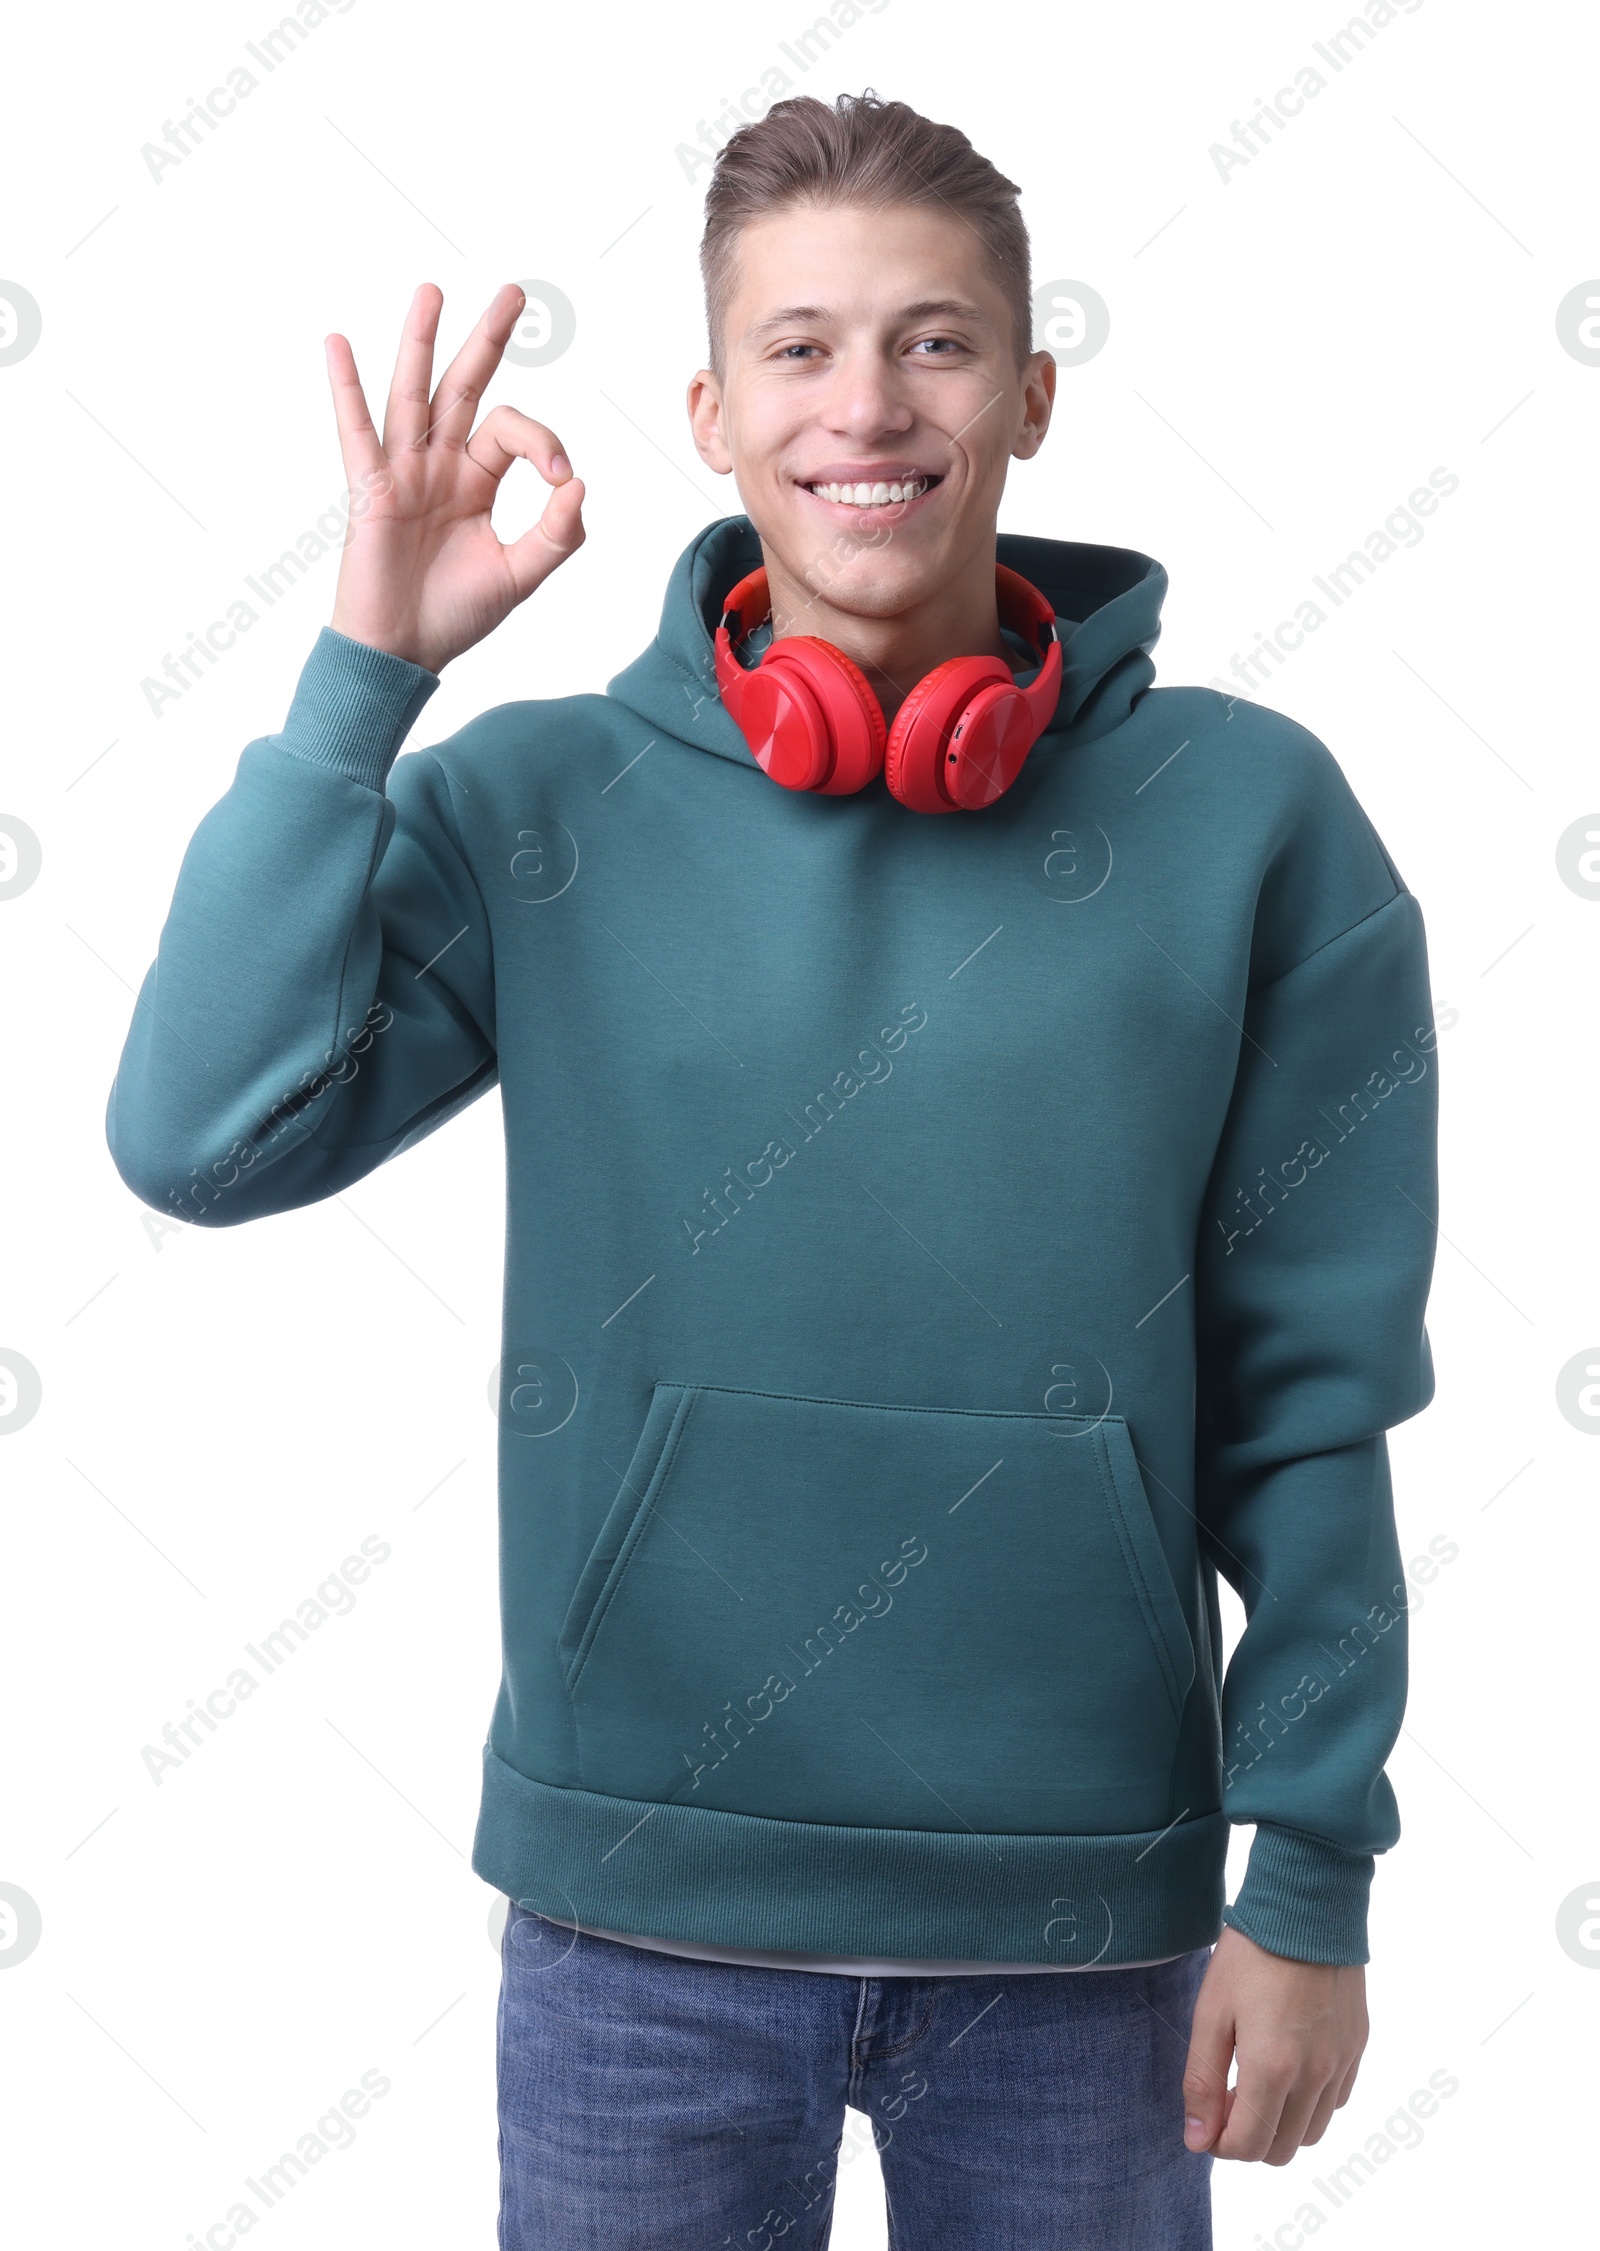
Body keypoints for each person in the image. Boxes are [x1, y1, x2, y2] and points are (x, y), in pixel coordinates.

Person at [106, 90, 1438, 2251]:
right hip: (637, 1935)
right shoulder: (543, 799)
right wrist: (367, 674)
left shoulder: (1250, 820)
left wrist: (1307, 1876)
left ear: (1027, 386)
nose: (868, 404)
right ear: (711, 414)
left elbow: (1312, 1401)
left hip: (1087, 1949)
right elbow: (197, 1133)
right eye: (800, 349)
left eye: (930, 341)